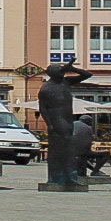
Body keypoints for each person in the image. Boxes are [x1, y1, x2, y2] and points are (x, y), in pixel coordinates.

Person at [37, 56, 92, 185]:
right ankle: (57, 178)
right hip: (57, 121)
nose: (62, 73)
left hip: (68, 120)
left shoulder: (66, 82)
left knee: (69, 149)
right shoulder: (46, 89)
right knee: (59, 151)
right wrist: (49, 124)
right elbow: (43, 109)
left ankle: (69, 178)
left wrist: (73, 68)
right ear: (53, 74)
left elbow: (88, 75)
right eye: (60, 72)